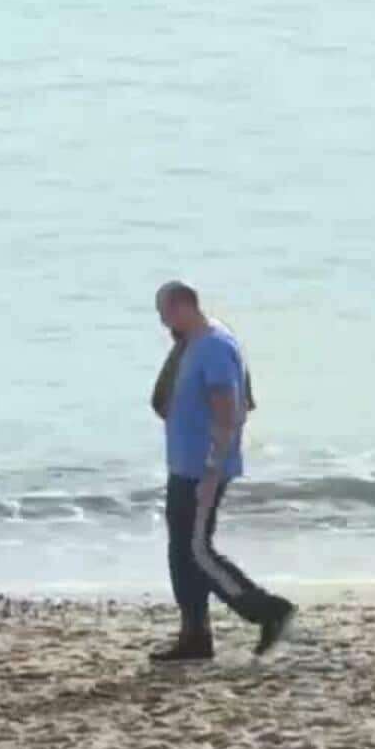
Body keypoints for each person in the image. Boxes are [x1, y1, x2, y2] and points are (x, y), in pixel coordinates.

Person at [149, 282, 295, 663]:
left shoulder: (215, 347)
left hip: (204, 468)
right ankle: (195, 637)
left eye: (165, 315)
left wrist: (213, 470)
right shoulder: (193, 343)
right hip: (185, 466)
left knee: (198, 552)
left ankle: (268, 610)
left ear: (183, 307)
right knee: (182, 553)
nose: (164, 324)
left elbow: (230, 413)